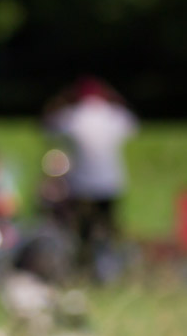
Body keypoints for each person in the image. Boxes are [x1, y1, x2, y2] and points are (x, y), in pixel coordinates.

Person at [44, 77, 136, 278]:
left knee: (83, 231)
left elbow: (48, 125)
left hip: (82, 184)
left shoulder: (73, 116)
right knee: (108, 230)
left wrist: (61, 99)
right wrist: (116, 98)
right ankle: (109, 269)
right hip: (111, 183)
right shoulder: (114, 115)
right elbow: (133, 124)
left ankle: (84, 268)